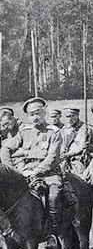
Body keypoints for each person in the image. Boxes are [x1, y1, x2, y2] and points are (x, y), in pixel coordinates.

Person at [1, 98, 62, 237]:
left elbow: (53, 158)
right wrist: (11, 171)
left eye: (38, 113)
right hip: (24, 172)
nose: (35, 117)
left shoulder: (54, 132)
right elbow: (5, 148)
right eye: (31, 114)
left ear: (44, 113)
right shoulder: (25, 131)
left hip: (48, 173)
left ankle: (53, 231)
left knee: (54, 195)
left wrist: (36, 171)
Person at [60, 107, 92, 174]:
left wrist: (69, 154)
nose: (70, 119)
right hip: (65, 160)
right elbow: (62, 144)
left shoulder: (85, 129)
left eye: (73, 116)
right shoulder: (64, 129)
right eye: (68, 116)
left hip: (79, 160)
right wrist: (63, 154)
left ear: (77, 115)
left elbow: (82, 147)